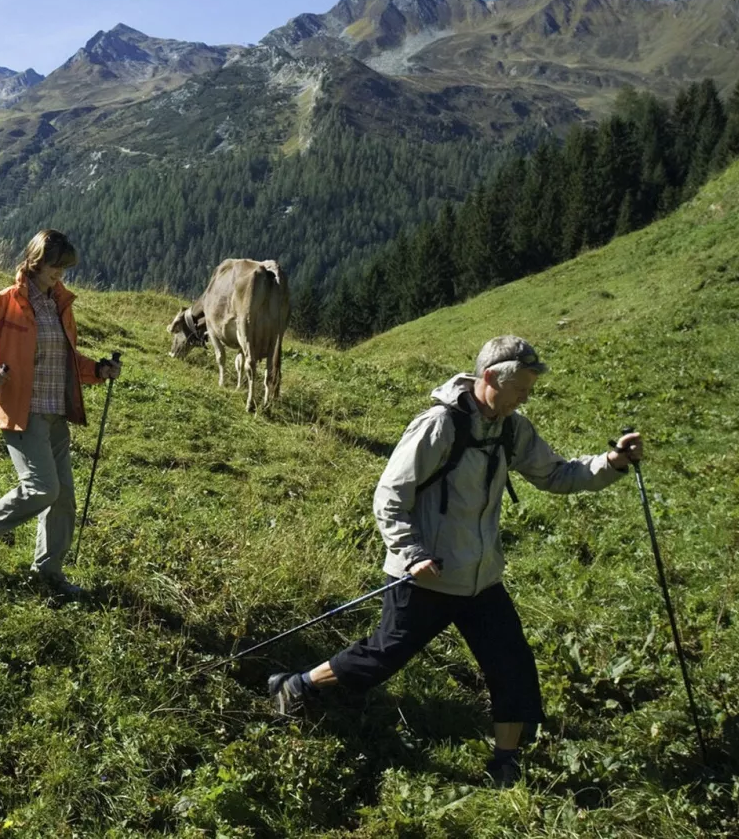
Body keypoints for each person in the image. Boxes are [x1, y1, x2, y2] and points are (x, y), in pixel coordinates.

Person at [266, 335, 644, 787]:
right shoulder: (438, 426)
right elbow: (390, 496)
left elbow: (557, 474)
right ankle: (298, 686)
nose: (526, 396)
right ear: (489, 379)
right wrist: (411, 555)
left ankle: (505, 762)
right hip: (428, 575)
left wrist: (612, 461)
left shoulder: (512, 428)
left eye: (528, 389)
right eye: (520, 388)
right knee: (381, 658)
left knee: (512, 667)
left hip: (481, 580)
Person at [0, 229, 121, 596]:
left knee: (63, 499)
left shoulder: (60, 304)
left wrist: (97, 370)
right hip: (20, 409)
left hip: (55, 410)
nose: (60, 273)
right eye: (54, 265)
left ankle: (48, 572)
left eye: (64, 266)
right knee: (42, 488)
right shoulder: (7, 300)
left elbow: (66, 358)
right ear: (35, 260)